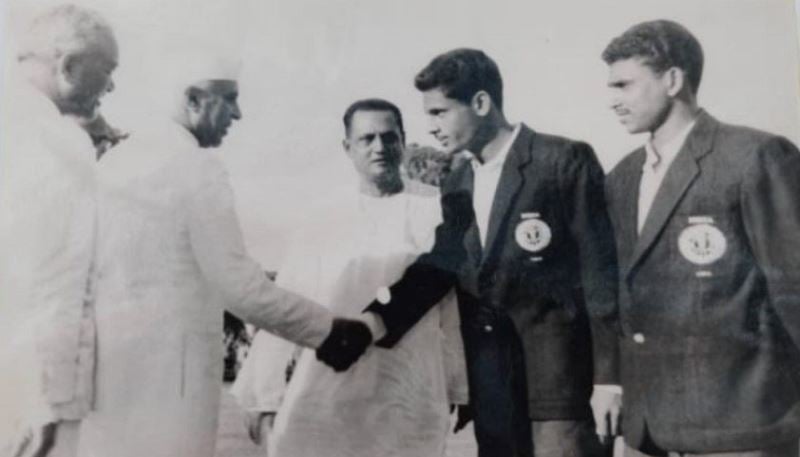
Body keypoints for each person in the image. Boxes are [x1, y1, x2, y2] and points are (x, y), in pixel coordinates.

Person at [318, 48, 620, 457]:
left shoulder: (562, 161)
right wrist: (371, 324)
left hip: (558, 393)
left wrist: (610, 380)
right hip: (493, 392)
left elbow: (602, 276)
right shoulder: (457, 179)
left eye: (440, 112)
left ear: (480, 103)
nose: (432, 127)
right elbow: (439, 268)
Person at [73, 57, 371, 457]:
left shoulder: (115, 163)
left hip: (103, 382)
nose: (238, 113)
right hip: (168, 390)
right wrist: (329, 331)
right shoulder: (195, 166)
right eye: (229, 99)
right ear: (194, 100)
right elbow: (238, 286)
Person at [601, 20, 800, 457]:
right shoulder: (622, 177)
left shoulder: (754, 157)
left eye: (624, 85)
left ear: (673, 79)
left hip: (742, 426)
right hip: (648, 429)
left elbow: (795, 289)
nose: (612, 101)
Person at [231, 98, 471, 457]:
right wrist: (264, 395)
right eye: (367, 138)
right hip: (331, 387)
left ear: (404, 141)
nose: (380, 148)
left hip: (409, 388)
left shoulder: (434, 209)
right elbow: (288, 299)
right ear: (348, 147)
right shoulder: (323, 217)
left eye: (389, 137)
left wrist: (458, 386)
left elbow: (449, 307)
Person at [0, 5, 119, 456]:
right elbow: (50, 277)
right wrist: (45, 400)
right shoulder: (54, 143)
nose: (111, 85)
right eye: (106, 70)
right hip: (29, 382)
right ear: (68, 66)